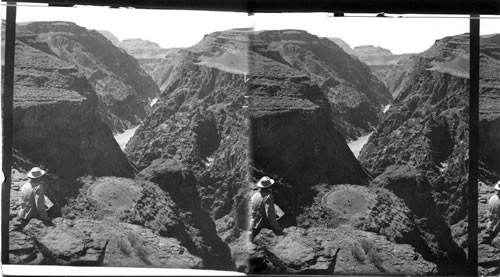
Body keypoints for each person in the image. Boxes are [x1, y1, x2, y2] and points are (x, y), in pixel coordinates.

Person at [250, 176, 283, 242]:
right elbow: (270, 215)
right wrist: (276, 227)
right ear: (269, 186)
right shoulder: (268, 196)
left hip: (253, 222)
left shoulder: (255, 194)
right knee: (281, 216)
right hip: (261, 224)